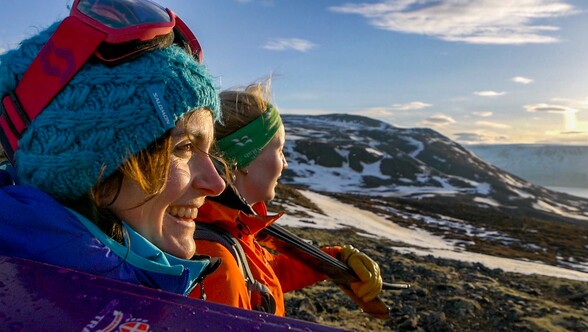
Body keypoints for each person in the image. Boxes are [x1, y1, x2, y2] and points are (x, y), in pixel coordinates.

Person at [0, 0, 226, 296]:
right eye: (183, 147)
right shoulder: (68, 307)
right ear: (84, 166)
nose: (216, 183)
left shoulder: (88, 289)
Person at [190, 79, 383, 315]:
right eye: (279, 150)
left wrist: (333, 260)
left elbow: (261, 277)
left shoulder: (228, 231)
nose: (285, 163)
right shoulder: (218, 264)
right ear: (244, 159)